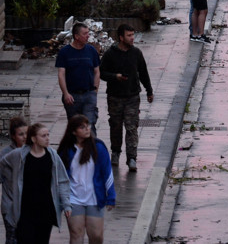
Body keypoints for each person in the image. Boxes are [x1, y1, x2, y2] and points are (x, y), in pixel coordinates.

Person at [2, 123, 71, 244]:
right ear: (33, 138)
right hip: (24, 211)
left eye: (48, 135)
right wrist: (11, 180)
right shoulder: (19, 154)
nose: (47, 138)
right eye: (43, 136)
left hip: (45, 210)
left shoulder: (52, 156)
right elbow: (3, 164)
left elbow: (62, 180)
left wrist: (66, 203)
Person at [98, 23, 153, 172]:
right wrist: (115, 76)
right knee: (115, 126)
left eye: (133, 35)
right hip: (115, 97)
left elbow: (143, 72)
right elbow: (101, 73)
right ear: (121, 37)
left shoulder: (136, 53)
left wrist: (149, 90)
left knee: (131, 127)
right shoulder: (110, 54)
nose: (132, 38)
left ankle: (132, 158)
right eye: (129, 35)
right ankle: (115, 152)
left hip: (132, 96)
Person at [56, 116, 114, 244]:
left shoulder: (98, 147)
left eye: (87, 125)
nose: (87, 129)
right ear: (73, 132)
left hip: (94, 198)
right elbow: (59, 176)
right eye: (82, 127)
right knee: (76, 235)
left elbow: (107, 172)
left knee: (96, 236)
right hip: (73, 199)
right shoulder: (66, 150)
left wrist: (111, 196)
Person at [55, 24, 100, 134]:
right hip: (72, 96)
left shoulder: (91, 51)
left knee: (89, 124)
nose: (88, 36)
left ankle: (91, 149)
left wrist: (95, 91)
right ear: (76, 36)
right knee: (75, 127)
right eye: (85, 34)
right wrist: (65, 93)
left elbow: (97, 71)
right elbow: (61, 74)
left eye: (88, 33)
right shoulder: (65, 52)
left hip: (89, 94)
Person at [0, 116, 27, 243]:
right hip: (10, 207)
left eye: (27, 133)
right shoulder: (5, 155)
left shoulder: (35, 152)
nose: (25, 137)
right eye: (21, 134)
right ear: (13, 136)